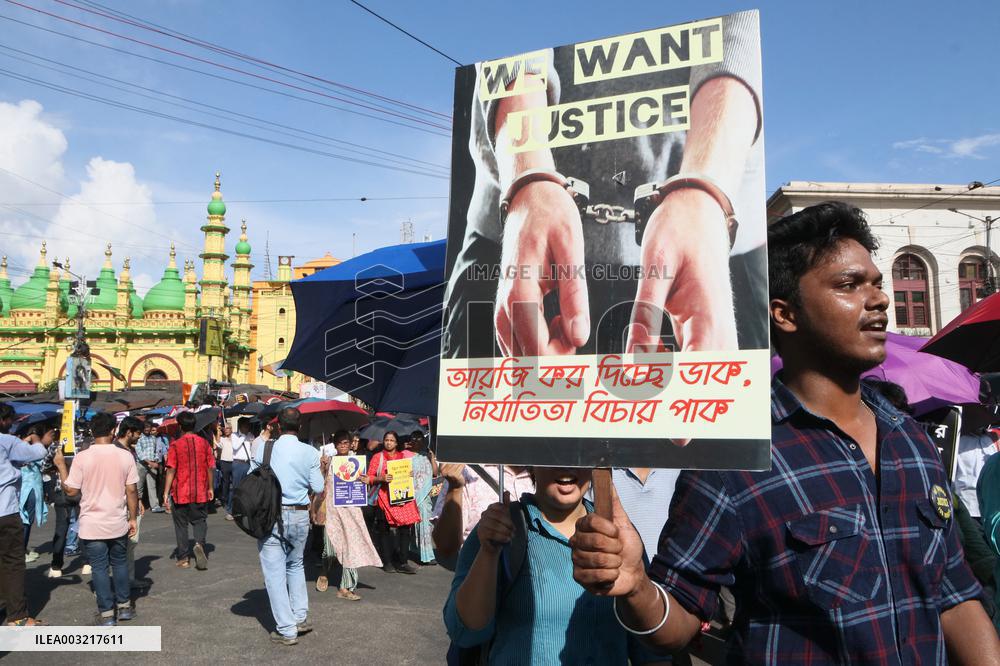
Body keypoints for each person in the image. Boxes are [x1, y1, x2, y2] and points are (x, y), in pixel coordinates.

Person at [570, 201, 1000, 663]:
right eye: (849, 285)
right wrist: (635, 586)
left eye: (877, 283)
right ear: (784, 314)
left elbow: (954, 594)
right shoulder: (739, 457)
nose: (878, 300)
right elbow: (678, 622)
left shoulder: (912, 441)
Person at [443, 11, 766, 361]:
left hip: (711, 254)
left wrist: (705, 191)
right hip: (517, 241)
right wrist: (527, 173)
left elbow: (736, 30)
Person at [444, 467, 659, 664]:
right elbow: (465, 632)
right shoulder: (498, 528)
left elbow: (650, 648)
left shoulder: (621, 535)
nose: (566, 467)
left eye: (577, 453)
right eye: (552, 454)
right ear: (531, 462)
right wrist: (489, 553)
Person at [52, 412, 138, 626]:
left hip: (92, 522)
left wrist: (61, 466)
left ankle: (107, 614)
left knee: (99, 568)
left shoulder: (83, 457)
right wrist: (133, 517)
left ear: (91, 431)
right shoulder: (125, 456)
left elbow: (71, 491)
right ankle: (125, 607)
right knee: (119, 563)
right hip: (117, 519)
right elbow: (132, 490)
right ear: (113, 430)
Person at [250, 407, 324, 646]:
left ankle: (287, 629)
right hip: (300, 514)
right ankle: (300, 616)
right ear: (299, 426)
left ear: (278, 426)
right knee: (296, 564)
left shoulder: (266, 447)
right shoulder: (310, 452)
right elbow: (319, 487)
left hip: (272, 514)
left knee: (274, 574)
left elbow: (252, 478)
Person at [315, 430, 381, 600]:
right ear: (335, 445)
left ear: (351, 443)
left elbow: (363, 485)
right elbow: (318, 486)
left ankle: (346, 587)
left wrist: (367, 480)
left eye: (346, 442)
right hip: (331, 509)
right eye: (340, 443)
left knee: (351, 546)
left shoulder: (358, 461)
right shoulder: (329, 461)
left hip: (351, 509)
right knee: (329, 548)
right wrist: (322, 469)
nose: (343, 446)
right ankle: (324, 571)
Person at [432, 463, 534, 567]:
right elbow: (446, 546)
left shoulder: (545, 474)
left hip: (537, 578)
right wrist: (455, 488)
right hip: (479, 576)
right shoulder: (465, 472)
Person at [0, 402, 46, 625]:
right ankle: (17, 615)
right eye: (9, 421)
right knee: (12, 562)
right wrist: (36, 438)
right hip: (5, 512)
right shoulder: (6, 440)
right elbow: (38, 453)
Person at [163, 411, 214, 570]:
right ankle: (199, 542)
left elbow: (171, 469)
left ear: (180, 426)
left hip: (181, 491)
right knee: (200, 520)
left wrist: (165, 492)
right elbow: (210, 467)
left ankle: (184, 558)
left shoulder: (175, 445)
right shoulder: (204, 443)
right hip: (200, 490)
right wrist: (211, 487)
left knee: (181, 525)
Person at [367, 431, 420, 574]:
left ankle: (403, 562)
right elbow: (369, 478)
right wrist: (381, 478)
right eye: (386, 440)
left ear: (397, 443)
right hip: (383, 498)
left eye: (392, 440)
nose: (389, 442)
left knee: (405, 530)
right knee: (384, 530)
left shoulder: (403, 457)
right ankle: (387, 561)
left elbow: (410, 476)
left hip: (402, 498)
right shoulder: (377, 457)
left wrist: (410, 475)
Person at [115, 416, 148, 591]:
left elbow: (133, 484)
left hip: (131, 500)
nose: (139, 437)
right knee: (123, 544)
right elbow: (127, 485)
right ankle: (122, 583)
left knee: (130, 544)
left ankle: (128, 578)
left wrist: (139, 500)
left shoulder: (129, 450)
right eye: (138, 434)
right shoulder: (118, 451)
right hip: (120, 503)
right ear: (129, 432)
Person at [20, 423, 52, 563]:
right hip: (30, 489)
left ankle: (22, 550)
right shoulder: (36, 450)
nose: (52, 438)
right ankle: (21, 551)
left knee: (25, 520)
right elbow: (46, 465)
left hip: (27, 488)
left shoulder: (24, 448)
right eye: (50, 434)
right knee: (25, 521)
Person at [408, 431, 438, 565]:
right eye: (414, 439)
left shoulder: (426, 456)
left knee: (425, 525)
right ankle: (414, 550)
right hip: (411, 495)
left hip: (425, 497)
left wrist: (432, 457)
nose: (417, 442)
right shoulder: (406, 456)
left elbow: (435, 473)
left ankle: (427, 555)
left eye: (420, 439)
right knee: (412, 526)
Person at [135, 421, 166, 513]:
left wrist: (156, 460)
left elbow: (156, 451)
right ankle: (137, 505)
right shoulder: (139, 438)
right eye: (146, 427)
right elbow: (139, 452)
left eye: (149, 427)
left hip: (152, 463)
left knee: (152, 485)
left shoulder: (153, 438)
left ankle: (154, 506)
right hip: (142, 464)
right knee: (139, 486)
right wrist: (149, 462)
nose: (147, 429)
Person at [228, 418, 253, 520]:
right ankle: (231, 510)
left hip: (248, 463)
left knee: (246, 488)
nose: (247, 427)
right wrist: (243, 436)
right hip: (238, 463)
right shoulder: (234, 435)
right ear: (241, 426)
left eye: (248, 425)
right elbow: (235, 446)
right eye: (245, 425)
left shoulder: (251, 435)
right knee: (235, 487)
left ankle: (243, 509)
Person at [216, 424, 235, 517]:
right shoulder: (222, 439)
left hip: (233, 462)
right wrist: (218, 433)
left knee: (233, 483)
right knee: (226, 482)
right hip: (225, 462)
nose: (226, 430)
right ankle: (225, 499)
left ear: (231, 429)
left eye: (228, 428)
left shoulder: (235, 438)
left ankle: (232, 500)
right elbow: (218, 445)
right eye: (225, 428)